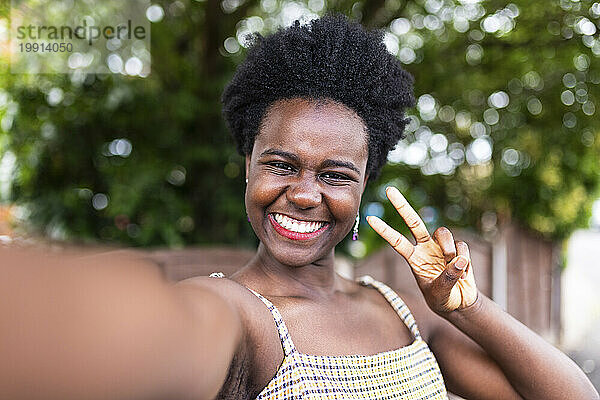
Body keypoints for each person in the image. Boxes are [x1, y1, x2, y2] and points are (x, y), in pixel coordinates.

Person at [0, 14, 597, 400]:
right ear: (249, 165)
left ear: (363, 187)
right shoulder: (233, 313)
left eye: (335, 175)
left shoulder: (402, 313)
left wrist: (466, 308)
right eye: (281, 165)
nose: (305, 193)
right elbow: (138, 348)